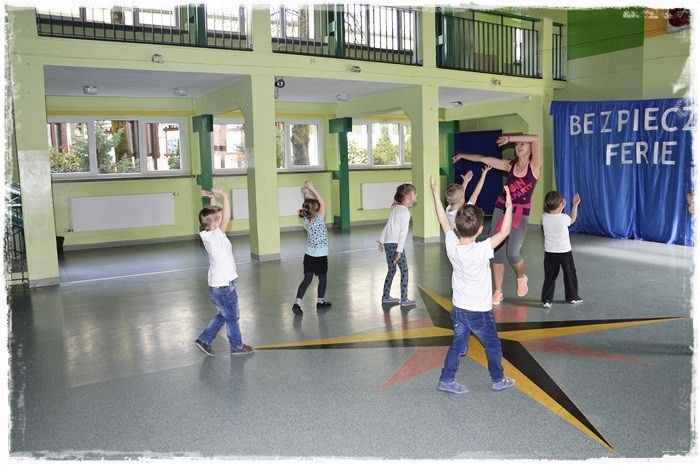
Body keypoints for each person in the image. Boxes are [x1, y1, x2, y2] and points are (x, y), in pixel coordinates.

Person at [429, 175, 516, 394]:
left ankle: (446, 379)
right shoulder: (482, 249)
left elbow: (443, 220)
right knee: (493, 346)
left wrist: (435, 193)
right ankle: (498, 379)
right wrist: (509, 206)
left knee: (458, 345)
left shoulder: (451, 243)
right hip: (479, 313)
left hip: (458, 309)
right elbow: (504, 232)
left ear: (457, 227)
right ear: (479, 230)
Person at [453, 134, 542, 305]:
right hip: (502, 208)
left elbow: (536, 139)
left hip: (520, 212)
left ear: (530, 149)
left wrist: (510, 138)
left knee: (513, 253)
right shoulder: (509, 165)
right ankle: (498, 291)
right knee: (495, 253)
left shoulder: (534, 166)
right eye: (517, 144)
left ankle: (521, 277)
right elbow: (483, 158)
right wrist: (462, 155)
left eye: (522, 144)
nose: (518, 146)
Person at [195, 187, 254, 356]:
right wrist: (225, 196)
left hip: (217, 285)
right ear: (215, 224)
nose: (223, 220)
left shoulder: (209, 234)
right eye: (220, 219)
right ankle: (237, 346)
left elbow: (214, 214)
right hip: (224, 286)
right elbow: (227, 216)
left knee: (225, 314)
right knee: (233, 317)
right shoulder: (217, 236)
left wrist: (212, 198)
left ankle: (204, 339)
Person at [292, 181, 332, 316]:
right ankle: (320, 301)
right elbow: (322, 202)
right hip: (320, 256)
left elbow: (309, 205)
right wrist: (313, 189)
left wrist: (306, 193)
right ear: (316, 209)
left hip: (308, 255)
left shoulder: (305, 219)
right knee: (323, 278)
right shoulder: (319, 219)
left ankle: (297, 302)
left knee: (307, 280)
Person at [378, 183, 418, 307]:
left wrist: (382, 240)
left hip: (388, 244)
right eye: (414, 193)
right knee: (404, 270)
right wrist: (399, 252)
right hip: (396, 245)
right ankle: (404, 299)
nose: (416, 195)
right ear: (408, 196)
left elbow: (387, 225)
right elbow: (403, 233)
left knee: (392, 270)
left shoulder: (395, 208)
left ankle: (385, 296)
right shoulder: (405, 212)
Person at [541, 191, 582, 308]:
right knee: (569, 274)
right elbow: (572, 219)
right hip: (564, 252)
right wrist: (575, 205)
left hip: (550, 252)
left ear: (546, 204)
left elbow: (554, 215)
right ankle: (573, 297)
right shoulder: (564, 218)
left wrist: (560, 206)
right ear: (560, 205)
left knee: (550, 276)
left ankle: (546, 300)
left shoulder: (544, 217)